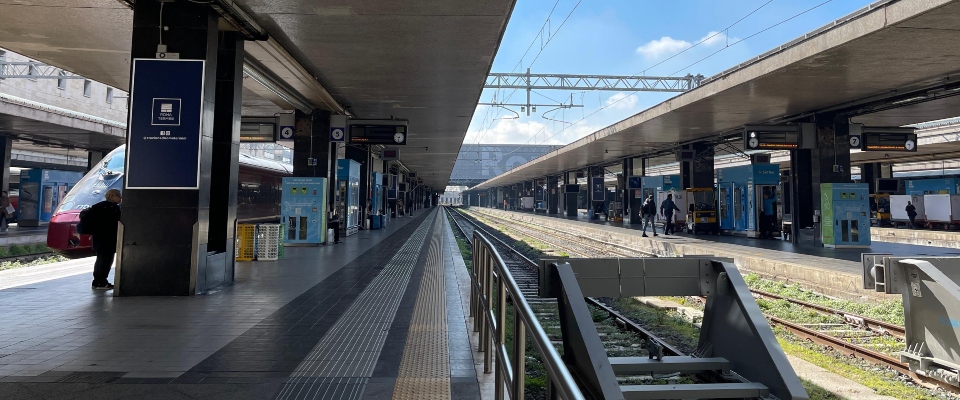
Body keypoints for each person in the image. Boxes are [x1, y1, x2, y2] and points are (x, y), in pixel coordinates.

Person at [89, 189, 122, 290]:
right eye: (118, 196)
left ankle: (96, 281)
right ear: (112, 196)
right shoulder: (113, 208)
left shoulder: (98, 206)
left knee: (100, 259)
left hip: (98, 237)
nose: (120, 198)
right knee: (107, 260)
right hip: (108, 238)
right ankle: (102, 282)